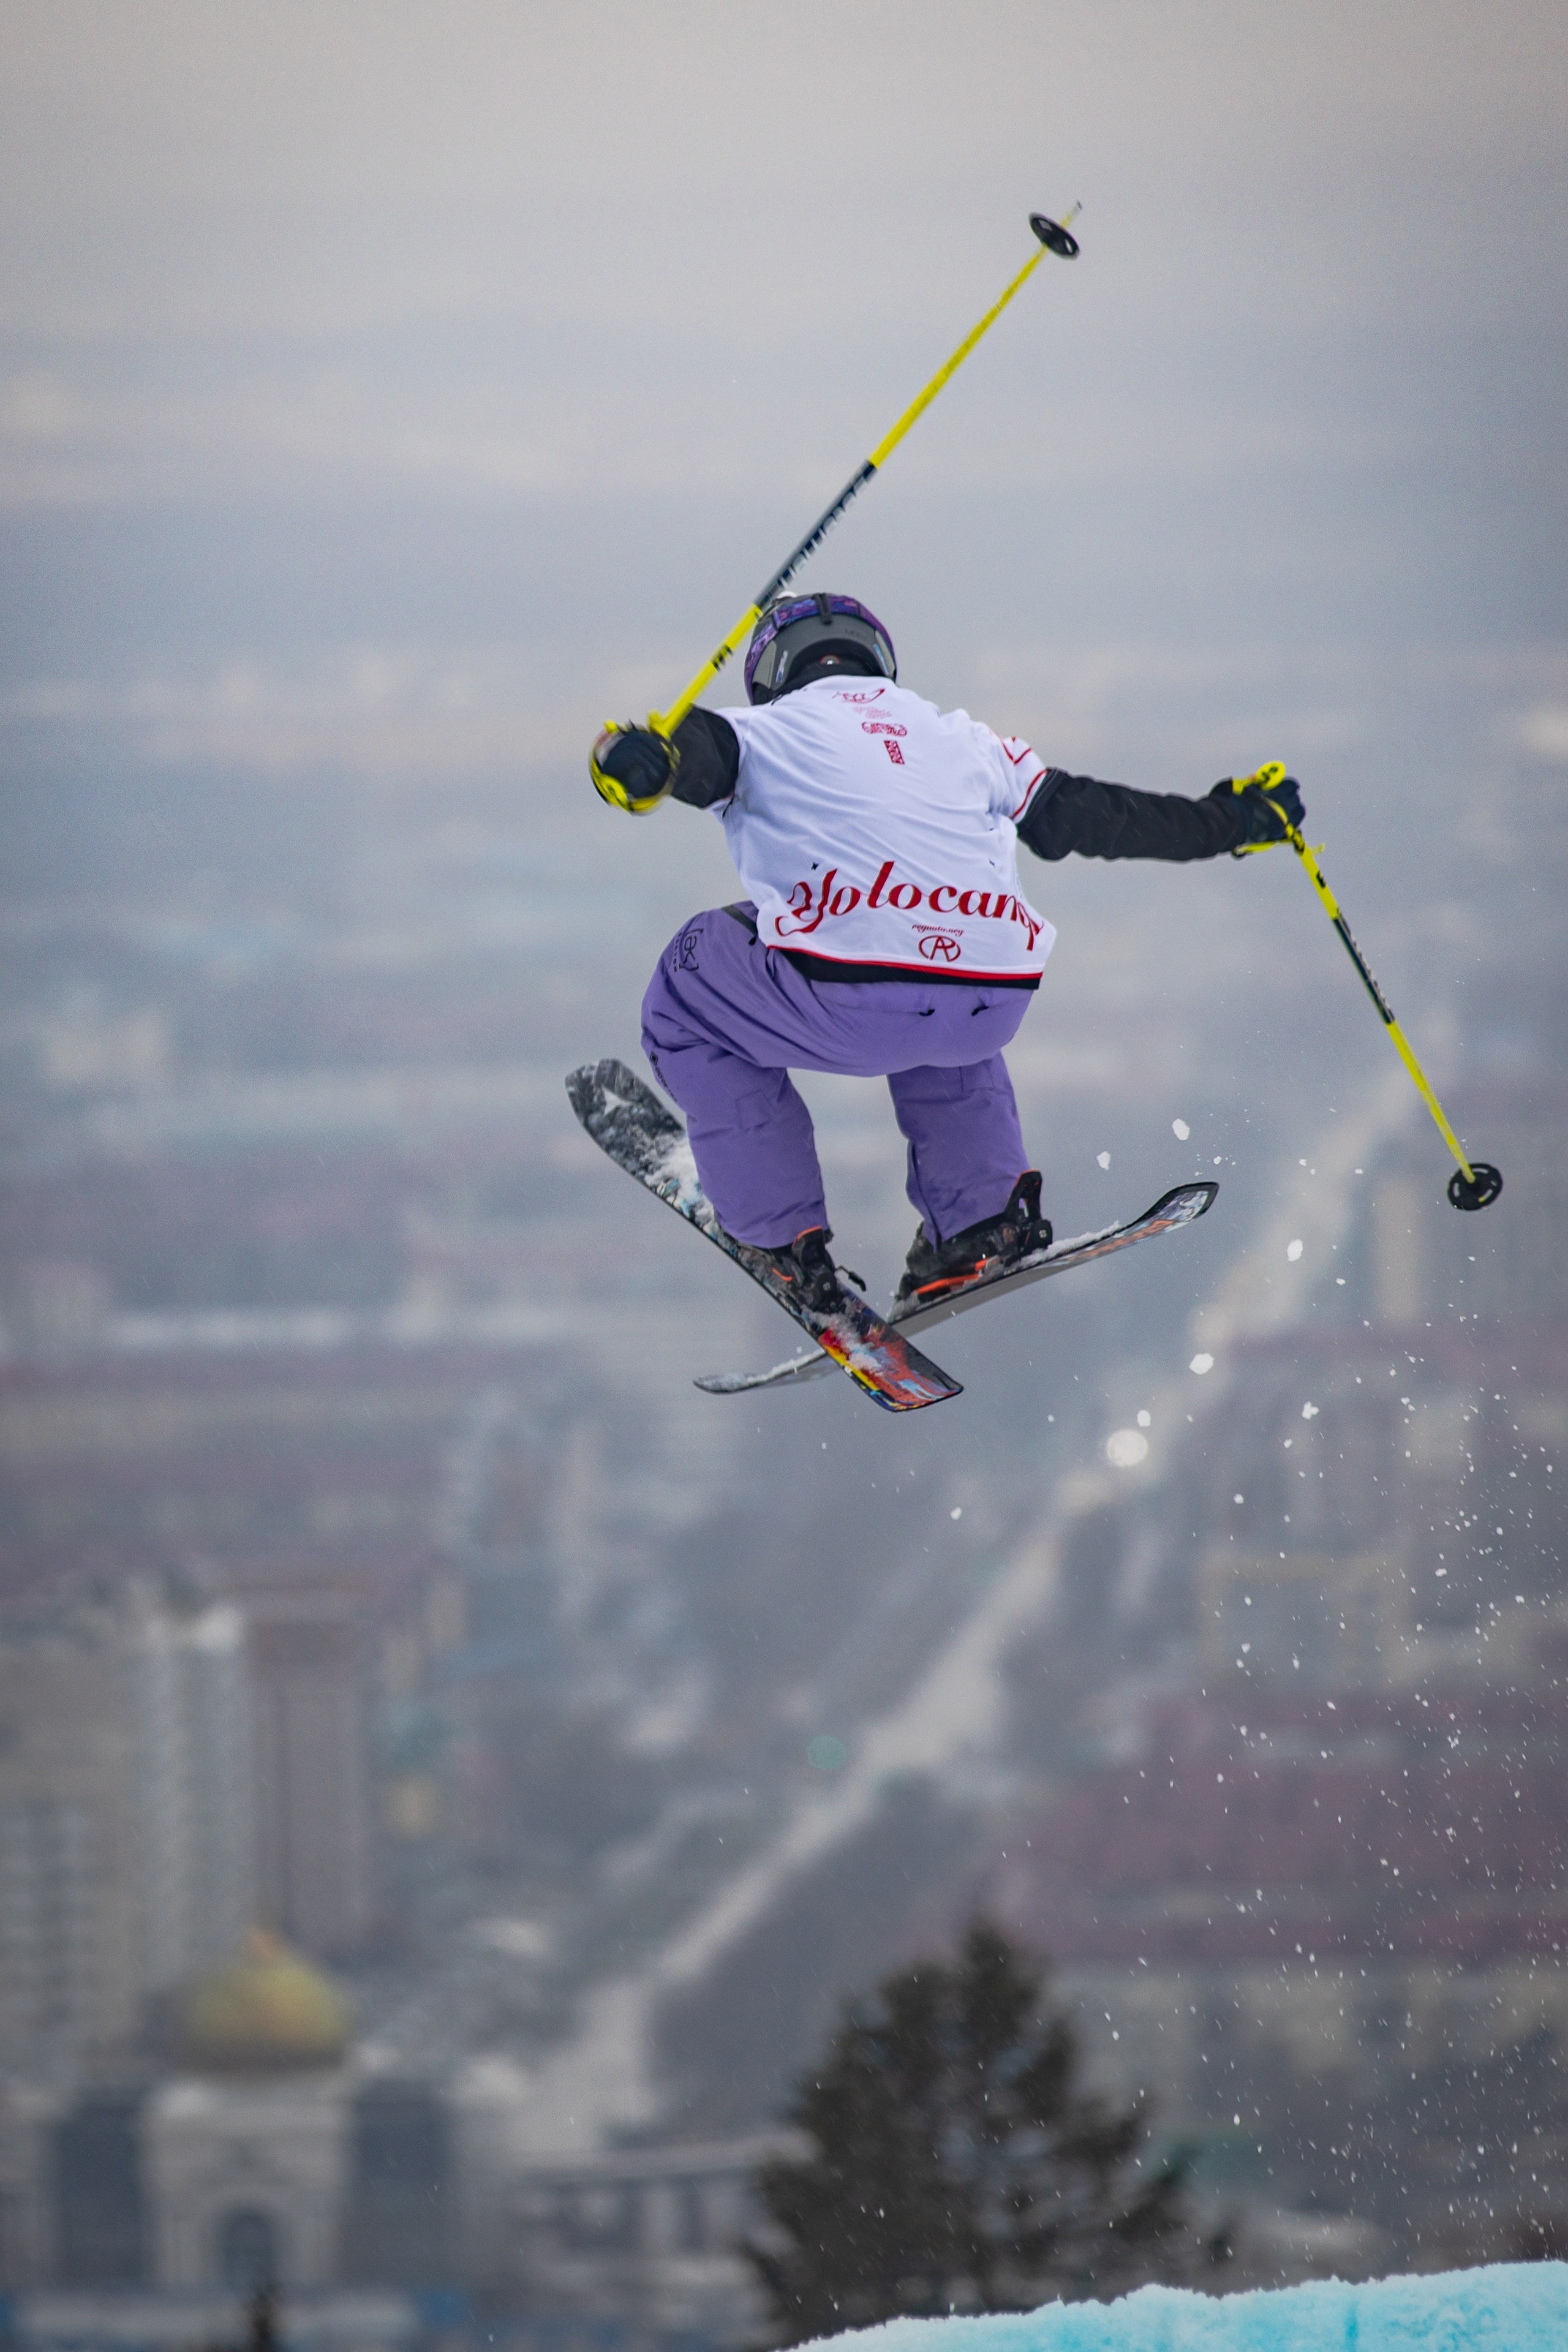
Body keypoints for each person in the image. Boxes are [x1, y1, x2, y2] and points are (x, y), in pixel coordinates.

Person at [590, 592, 1302, 1319]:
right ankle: (977, 1224)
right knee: (937, 977)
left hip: (848, 999)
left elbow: (696, 753)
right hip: (992, 1003)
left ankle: (777, 1237)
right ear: (879, 658)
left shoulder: (762, 732)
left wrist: (639, 759)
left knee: (684, 991)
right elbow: (1098, 818)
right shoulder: (967, 740)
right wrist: (1235, 820)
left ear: (768, 673)